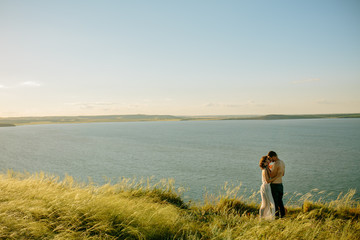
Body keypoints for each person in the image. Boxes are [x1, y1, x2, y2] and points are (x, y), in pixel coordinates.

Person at [268, 151, 286, 218]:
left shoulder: (276, 164)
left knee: (275, 202)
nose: (270, 160)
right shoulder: (282, 162)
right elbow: (283, 174)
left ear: (273, 156)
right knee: (280, 202)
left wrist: (269, 169)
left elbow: (271, 175)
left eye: (270, 158)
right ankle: (283, 216)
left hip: (275, 185)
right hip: (280, 184)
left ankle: (276, 217)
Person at [259, 155, 275, 220]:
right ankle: (262, 218)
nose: (269, 160)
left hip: (266, 187)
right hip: (265, 187)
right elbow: (267, 181)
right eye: (268, 160)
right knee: (267, 204)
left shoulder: (267, 168)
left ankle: (264, 218)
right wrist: (277, 178)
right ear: (265, 162)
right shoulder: (265, 170)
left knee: (266, 204)